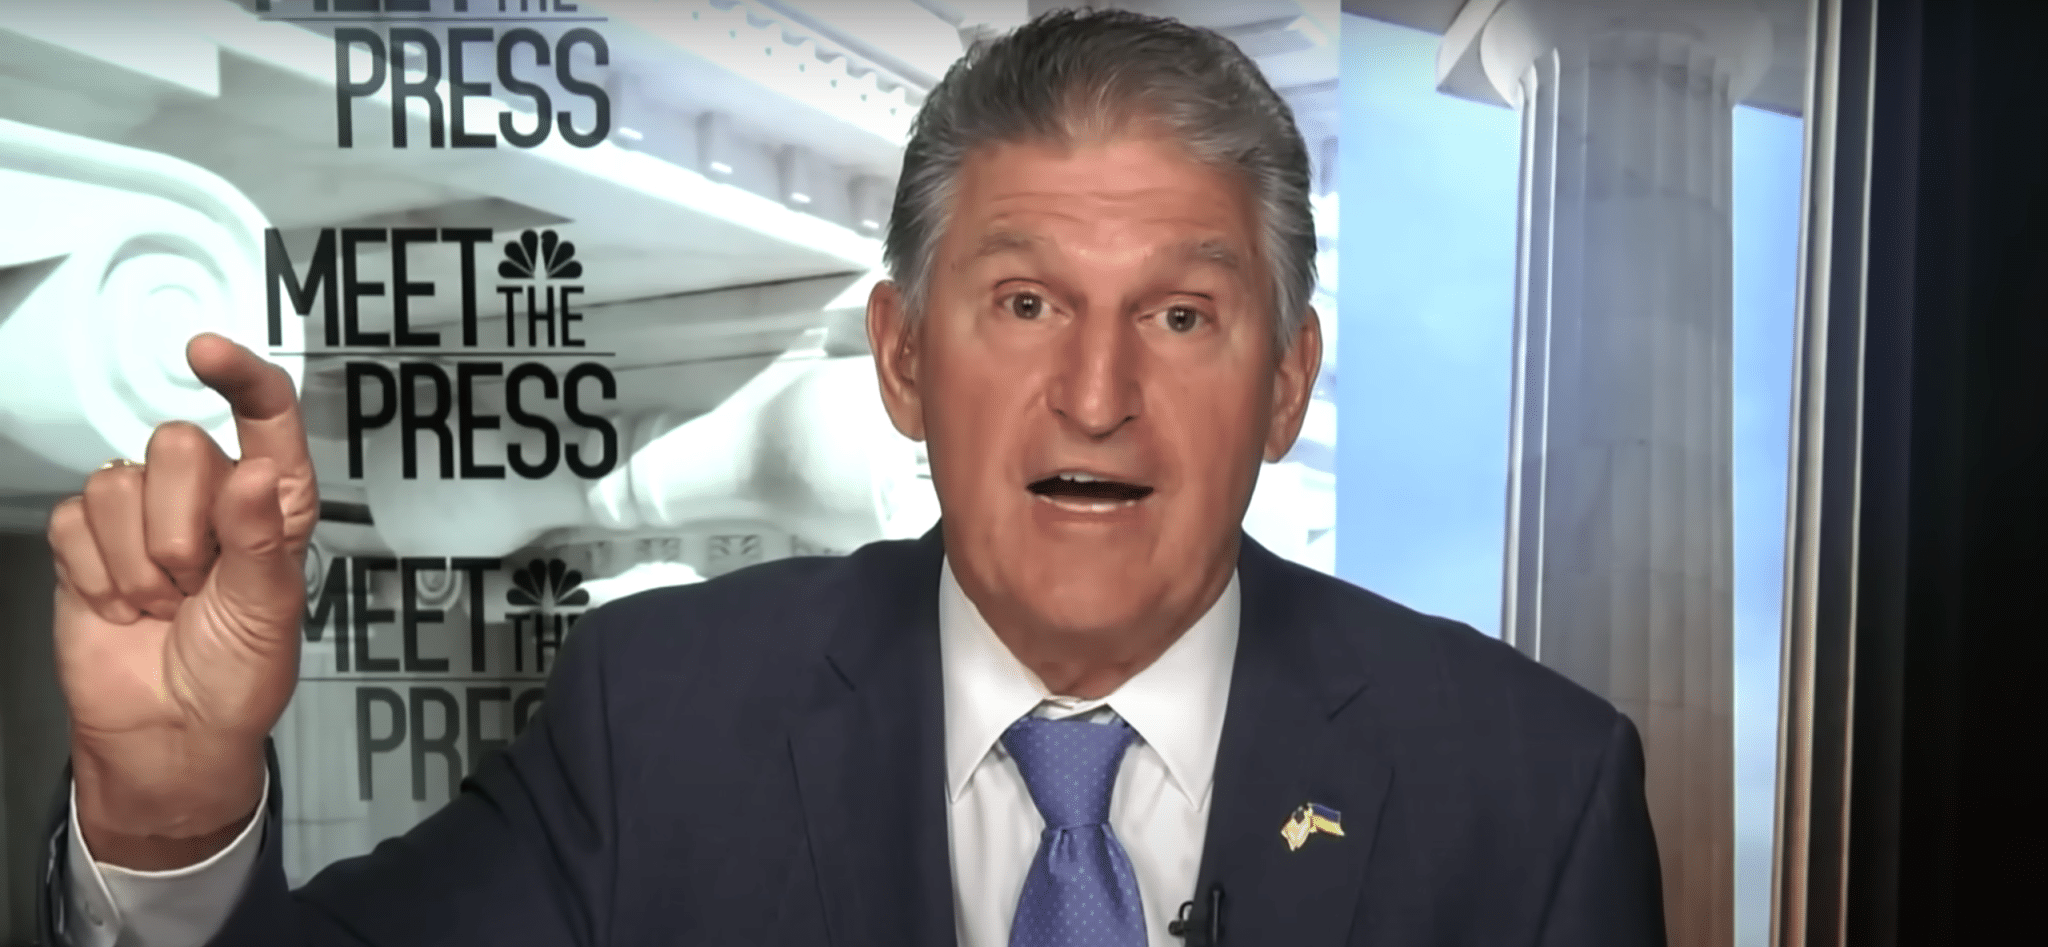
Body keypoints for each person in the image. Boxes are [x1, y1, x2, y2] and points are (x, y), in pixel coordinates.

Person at [35, 9, 1665, 947]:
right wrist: (169, 813)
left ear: (1288, 381)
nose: (1097, 395)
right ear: (900, 358)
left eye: (1181, 316)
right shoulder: (656, 716)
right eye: (1023, 304)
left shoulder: (1535, 795)